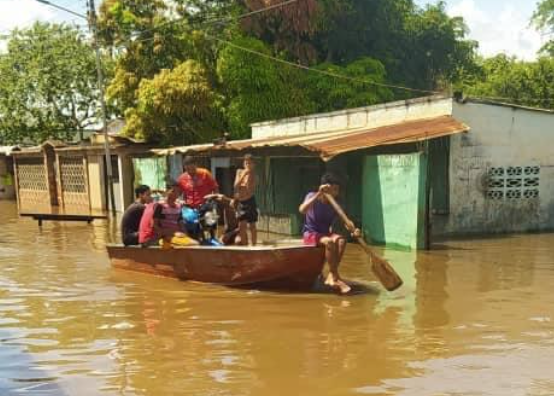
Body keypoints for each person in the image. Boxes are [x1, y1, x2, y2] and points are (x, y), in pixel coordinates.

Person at [299, 173, 361, 294]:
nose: (337, 192)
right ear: (326, 188)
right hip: (310, 234)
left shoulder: (335, 203)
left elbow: (346, 221)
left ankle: (332, 275)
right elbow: (302, 210)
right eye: (335, 189)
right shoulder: (312, 196)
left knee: (342, 240)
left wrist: (355, 230)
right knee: (330, 242)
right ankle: (334, 276)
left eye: (338, 190)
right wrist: (318, 194)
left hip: (325, 234)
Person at [139, 183, 198, 248]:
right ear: (167, 192)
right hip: (166, 236)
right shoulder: (160, 206)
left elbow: (181, 224)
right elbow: (154, 225)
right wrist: (170, 233)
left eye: (177, 192)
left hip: (176, 235)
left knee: (194, 243)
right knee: (192, 244)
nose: (175, 194)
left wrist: (185, 235)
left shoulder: (178, 207)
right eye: (173, 191)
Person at [233, 154, 258, 246]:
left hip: (250, 201)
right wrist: (244, 175)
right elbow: (235, 186)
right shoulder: (239, 171)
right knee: (241, 226)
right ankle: (244, 245)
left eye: (250, 163)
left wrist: (249, 175)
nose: (248, 165)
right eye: (246, 163)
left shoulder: (254, 176)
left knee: (252, 225)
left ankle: (254, 245)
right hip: (241, 202)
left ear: (253, 164)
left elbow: (249, 190)